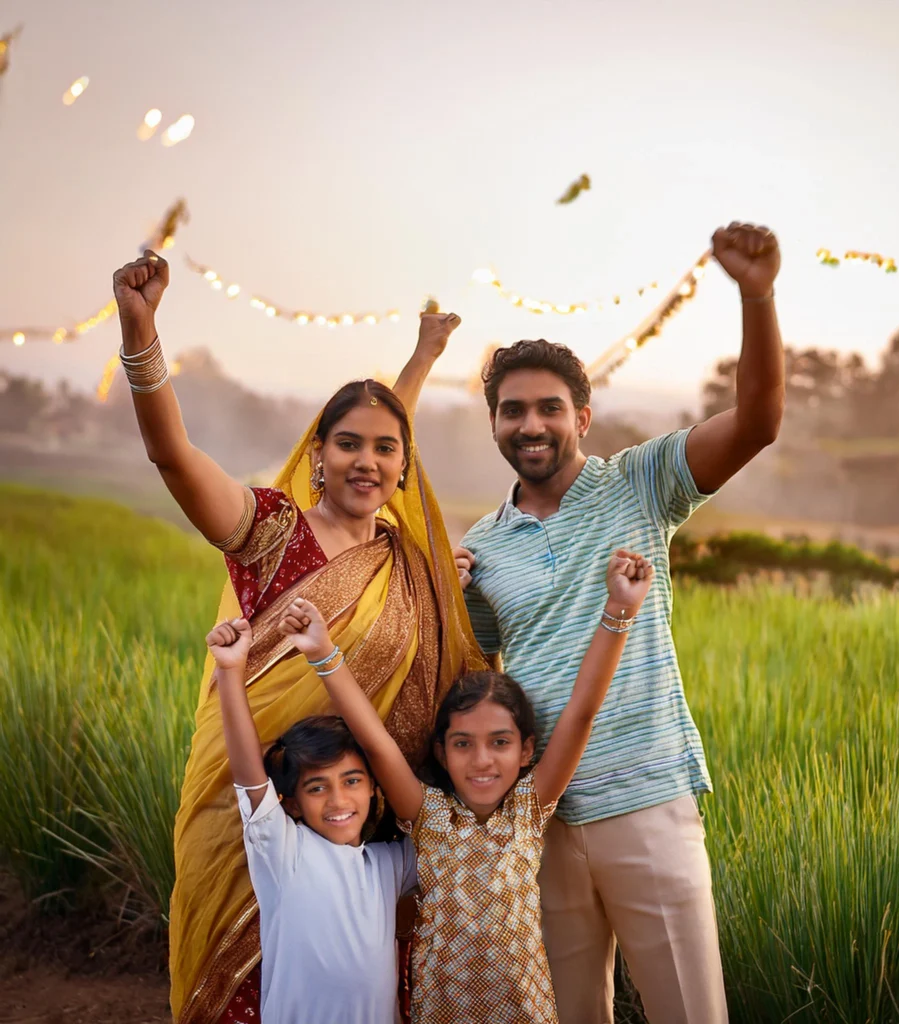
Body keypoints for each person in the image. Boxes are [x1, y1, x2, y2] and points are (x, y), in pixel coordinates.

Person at [111, 251, 486, 1024]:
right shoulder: (275, 532)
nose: (367, 461)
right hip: (252, 820)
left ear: (405, 465)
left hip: (367, 834)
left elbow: (388, 426)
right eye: (348, 443)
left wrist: (421, 357)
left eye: (387, 450)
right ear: (317, 454)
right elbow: (172, 459)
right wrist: (140, 329)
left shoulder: (407, 559)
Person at [452, 222, 784, 1023]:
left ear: (584, 416)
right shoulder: (481, 547)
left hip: (646, 803)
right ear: (494, 424)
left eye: (548, 409)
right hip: (544, 819)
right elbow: (472, 686)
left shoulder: (641, 485)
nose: (530, 425)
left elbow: (757, 421)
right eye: (511, 411)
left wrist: (757, 295)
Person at [274, 546, 654, 1023]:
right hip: (442, 1010)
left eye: (499, 742)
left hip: (524, 1009)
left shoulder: (529, 810)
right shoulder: (427, 815)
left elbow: (581, 713)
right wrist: (322, 652)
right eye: (463, 744)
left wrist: (620, 610)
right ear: (441, 752)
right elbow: (376, 744)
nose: (481, 761)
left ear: (525, 751)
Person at [205, 616, 417, 1023]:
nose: (339, 799)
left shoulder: (393, 863)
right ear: (293, 804)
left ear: (375, 788)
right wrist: (230, 671)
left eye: (352, 780)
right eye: (317, 787)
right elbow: (249, 774)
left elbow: (445, 830)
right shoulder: (284, 851)